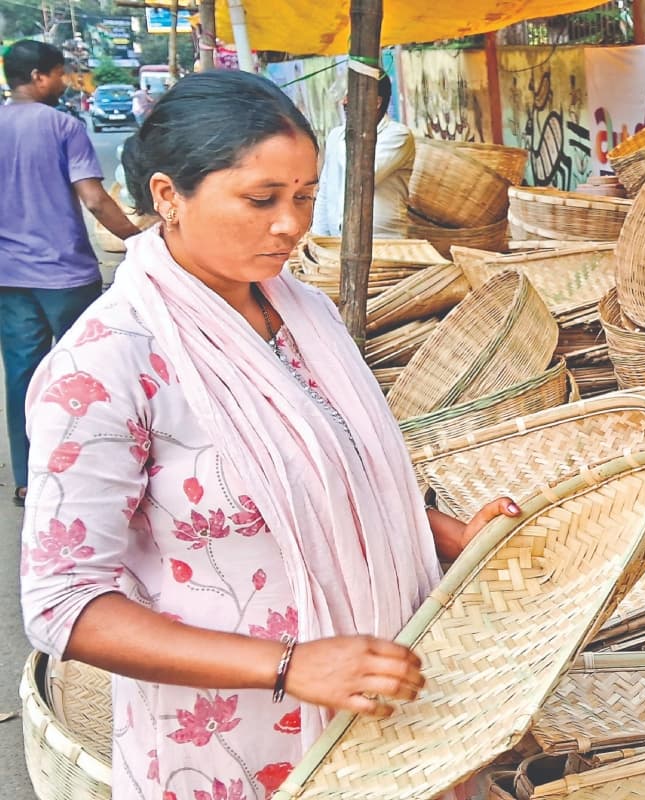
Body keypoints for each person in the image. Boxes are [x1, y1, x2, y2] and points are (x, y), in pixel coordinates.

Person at [19, 70, 520, 800]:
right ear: (169, 197)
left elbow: (338, 479)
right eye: (260, 200)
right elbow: (66, 605)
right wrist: (290, 665)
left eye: (304, 197)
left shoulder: (305, 317)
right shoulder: (109, 362)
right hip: (236, 747)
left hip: (387, 712)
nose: (290, 225)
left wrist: (451, 535)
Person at [0, 40, 142, 508]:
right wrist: (140, 239)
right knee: (88, 374)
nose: (63, 82)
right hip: (66, 276)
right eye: (60, 74)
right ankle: (88, 475)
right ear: (40, 76)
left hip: (10, 277)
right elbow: (95, 198)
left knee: (22, 374)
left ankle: (28, 480)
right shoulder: (65, 126)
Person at [311, 73, 414, 237]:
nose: (344, 102)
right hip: (337, 242)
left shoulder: (397, 135)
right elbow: (326, 192)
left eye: (351, 95)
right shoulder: (336, 136)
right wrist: (317, 238)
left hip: (386, 244)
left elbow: (361, 176)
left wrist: (351, 133)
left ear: (376, 102)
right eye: (345, 96)